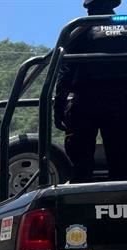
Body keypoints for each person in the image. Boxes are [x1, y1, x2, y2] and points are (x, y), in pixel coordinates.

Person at [54, 0, 127, 183]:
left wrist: (59, 105)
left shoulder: (78, 29)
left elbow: (65, 70)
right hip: (121, 101)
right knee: (121, 156)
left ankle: (81, 187)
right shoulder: (125, 26)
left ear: (89, 7)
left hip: (85, 99)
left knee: (80, 157)